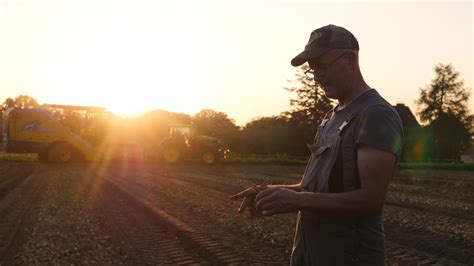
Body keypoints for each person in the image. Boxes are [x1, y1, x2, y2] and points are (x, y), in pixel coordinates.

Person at [230, 24, 403, 265]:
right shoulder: (330, 117)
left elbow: (371, 199)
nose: (318, 76)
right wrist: (270, 193)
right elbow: (316, 187)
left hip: (351, 256)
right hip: (311, 254)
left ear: (351, 60)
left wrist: (298, 201)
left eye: (323, 66)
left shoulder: (375, 115)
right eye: (313, 70)